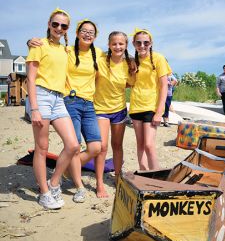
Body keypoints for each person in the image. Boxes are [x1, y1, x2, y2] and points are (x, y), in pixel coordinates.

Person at [27, 18, 104, 202]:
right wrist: (30, 42)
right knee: (52, 147)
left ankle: (61, 176)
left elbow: (117, 59)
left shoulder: (97, 54)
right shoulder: (68, 50)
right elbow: (41, 58)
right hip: (67, 99)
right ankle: (69, 187)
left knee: (90, 147)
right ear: (76, 33)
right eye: (83, 31)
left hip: (83, 102)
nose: (87, 34)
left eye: (91, 32)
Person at [26, 8, 80, 209]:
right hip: (40, 96)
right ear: (49, 24)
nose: (59, 28)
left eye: (63, 26)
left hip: (59, 99)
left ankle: (54, 182)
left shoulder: (65, 50)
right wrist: (35, 109)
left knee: (73, 145)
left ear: (67, 30)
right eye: (55, 24)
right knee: (42, 147)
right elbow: (30, 78)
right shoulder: (38, 45)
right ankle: (44, 193)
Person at [94, 31, 135, 195]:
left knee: (117, 145)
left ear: (126, 45)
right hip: (100, 109)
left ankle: (118, 176)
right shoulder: (100, 60)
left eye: (121, 44)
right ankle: (99, 183)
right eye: (114, 43)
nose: (117, 46)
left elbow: (129, 84)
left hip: (119, 110)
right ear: (109, 44)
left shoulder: (129, 65)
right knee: (102, 147)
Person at [129, 28, 171, 170]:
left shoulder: (158, 58)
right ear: (134, 44)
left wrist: (160, 112)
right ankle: (143, 172)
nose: (142, 46)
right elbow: (129, 83)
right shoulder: (133, 61)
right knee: (140, 144)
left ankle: (157, 176)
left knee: (149, 144)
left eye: (146, 43)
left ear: (151, 43)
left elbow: (164, 86)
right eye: (139, 43)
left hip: (151, 107)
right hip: (136, 106)